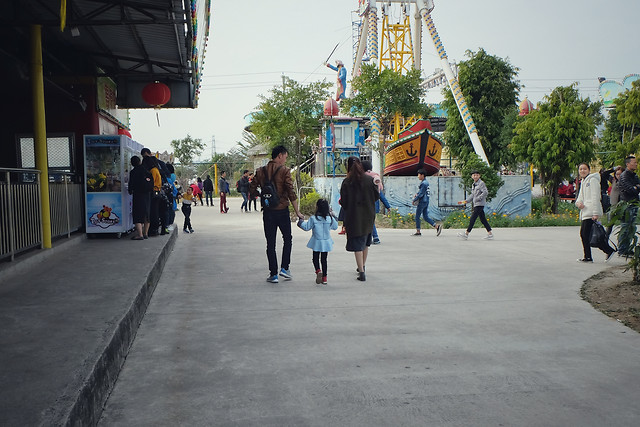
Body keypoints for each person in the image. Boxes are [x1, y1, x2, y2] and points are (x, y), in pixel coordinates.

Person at [250, 145, 304, 283]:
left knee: (270, 243)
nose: (285, 160)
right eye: (285, 157)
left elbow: (252, 188)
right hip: (282, 211)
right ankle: (285, 268)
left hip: (268, 212)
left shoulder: (260, 171)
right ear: (279, 155)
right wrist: (297, 211)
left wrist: (262, 196)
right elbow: (291, 192)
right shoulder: (285, 171)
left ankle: (273, 274)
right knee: (287, 239)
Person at [340, 156, 379, 282]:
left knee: (357, 244)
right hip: (368, 216)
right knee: (365, 243)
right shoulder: (369, 180)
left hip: (354, 217)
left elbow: (344, 202)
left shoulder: (347, 182)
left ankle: (361, 272)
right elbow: (376, 196)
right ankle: (362, 266)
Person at [575, 163, 615, 262]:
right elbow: (580, 197)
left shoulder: (592, 180)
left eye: (584, 169)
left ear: (589, 170)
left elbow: (595, 197)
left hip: (591, 212)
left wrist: (595, 213)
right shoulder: (584, 181)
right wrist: (578, 203)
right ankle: (591, 255)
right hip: (585, 212)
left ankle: (602, 252)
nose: (582, 171)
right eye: (580, 169)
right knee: (587, 235)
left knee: (586, 234)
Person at [297, 199, 338, 285]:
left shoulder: (313, 218)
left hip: (316, 241)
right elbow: (335, 227)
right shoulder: (329, 218)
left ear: (317, 207)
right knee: (324, 259)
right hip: (326, 242)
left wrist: (300, 221)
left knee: (315, 258)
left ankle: (318, 270)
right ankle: (325, 278)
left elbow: (306, 227)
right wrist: (332, 215)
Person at [457, 170, 493, 240]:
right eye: (474, 175)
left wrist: (478, 198)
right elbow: (473, 194)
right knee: (483, 219)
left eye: (477, 175)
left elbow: (485, 192)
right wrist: (466, 201)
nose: (475, 176)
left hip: (479, 204)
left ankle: (466, 234)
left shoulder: (481, 183)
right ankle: (490, 234)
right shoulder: (474, 184)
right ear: (472, 176)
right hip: (476, 204)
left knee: (473, 218)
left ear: (479, 176)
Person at [362, 160, 391, 244]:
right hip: (375, 203)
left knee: (369, 221)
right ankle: (372, 237)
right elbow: (380, 195)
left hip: (366, 203)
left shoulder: (363, 177)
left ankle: (375, 237)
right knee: (371, 220)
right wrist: (387, 206)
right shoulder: (376, 177)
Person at [617, 156, 640, 255]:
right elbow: (631, 190)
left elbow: (637, 187)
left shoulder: (634, 176)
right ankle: (622, 249)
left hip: (634, 203)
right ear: (628, 164)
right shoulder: (624, 176)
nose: (636, 164)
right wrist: (636, 187)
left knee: (631, 227)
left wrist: (636, 187)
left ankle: (627, 247)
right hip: (626, 205)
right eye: (634, 162)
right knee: (626, 227)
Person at [127, 155, 152, 240]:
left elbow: (131, 185)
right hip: (147, 195)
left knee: (137, 214)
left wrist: (130, 191)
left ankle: (140, 235)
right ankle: (145, 233)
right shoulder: (147, 171)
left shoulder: (133, 172)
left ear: (132, 163)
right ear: (140, 162)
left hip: (138, 195)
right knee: (146, 214)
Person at [412, 168, 442, 237]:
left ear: (422, 175)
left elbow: (421, 194)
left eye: (419, 175)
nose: (418, 176)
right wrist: (417, 194)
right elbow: (421, 192)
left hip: (422, 201)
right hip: (426, 201)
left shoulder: (423, 183)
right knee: (425, 217)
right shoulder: (426, 182)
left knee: (417, 216)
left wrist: (414, 199)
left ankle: (418, 231)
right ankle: (436, 226)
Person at [142, 155, 162, 236]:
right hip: (157, 192)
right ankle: (155, 229)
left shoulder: (153, 171)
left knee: (153, 212)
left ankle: (153, 229)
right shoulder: (156, 169)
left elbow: (151, 182)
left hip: (154, 192)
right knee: (155, 211)